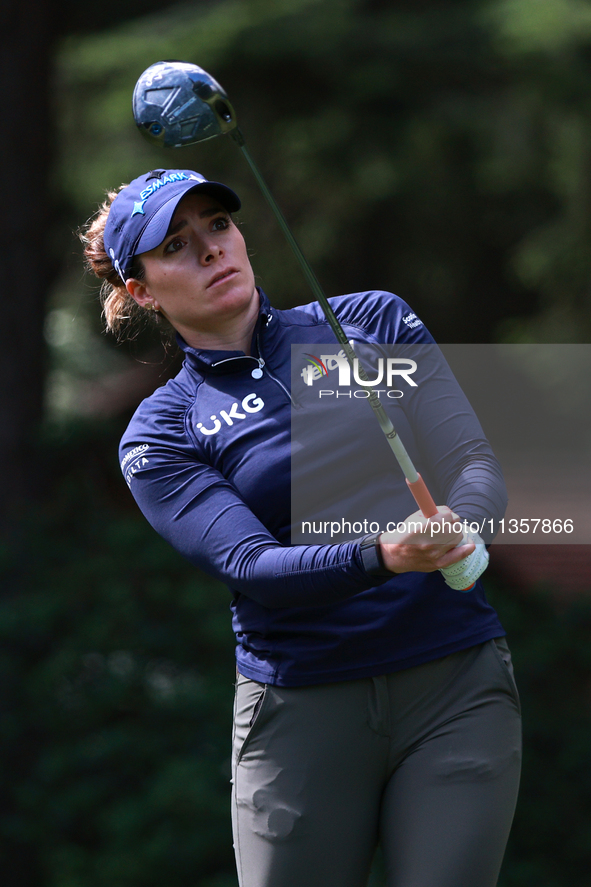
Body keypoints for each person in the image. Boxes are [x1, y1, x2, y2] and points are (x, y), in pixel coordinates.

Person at [81, 167, 521, 887]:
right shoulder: (161, 432)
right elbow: (253, 566)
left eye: (217, 226)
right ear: (141, 289)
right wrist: (384, 553)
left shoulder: (372, 323)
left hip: (452, 684)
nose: (210, 251)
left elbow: (470, 460)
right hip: (302, 711)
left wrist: (464, 527)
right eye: (176, 245)